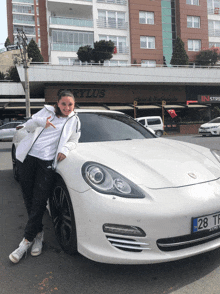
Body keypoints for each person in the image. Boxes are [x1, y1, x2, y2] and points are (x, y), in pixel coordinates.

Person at [9, 91, 81, 263]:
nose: (67, 107)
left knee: (40, 200)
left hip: (47, 162)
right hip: (28, 158)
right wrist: (41, 122)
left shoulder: (74, 120)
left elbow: (74, 140)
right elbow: (28, 126)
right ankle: (39, 235)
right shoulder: (46, 112)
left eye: (70, 104)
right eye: (63, 104)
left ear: (74, 104)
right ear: (57, 103)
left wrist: (65, 149)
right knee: (28, 197)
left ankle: (26, 241)